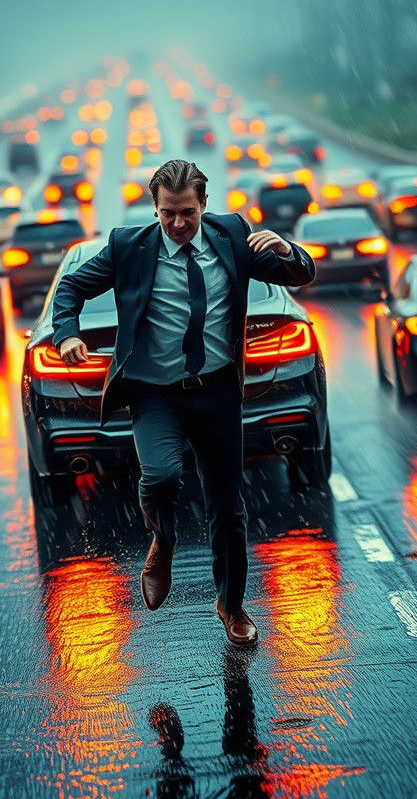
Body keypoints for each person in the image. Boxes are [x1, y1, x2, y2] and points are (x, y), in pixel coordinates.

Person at [51, 158, 315, 644]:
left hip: (216, 391)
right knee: (161, 475)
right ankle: (163, 541)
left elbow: (299, 276)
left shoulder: (233, 236)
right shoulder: (128, 247)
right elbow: (69, 288)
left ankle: (232, 607)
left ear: (204, 205)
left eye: (187, 213)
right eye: (168, 213)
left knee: (229, 509)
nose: (178, 224)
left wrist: (286, 249)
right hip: (156, 395)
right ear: (154, 207)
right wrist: (65, 334)